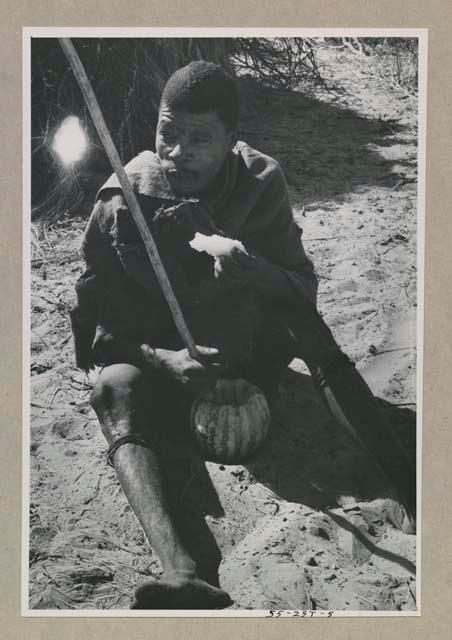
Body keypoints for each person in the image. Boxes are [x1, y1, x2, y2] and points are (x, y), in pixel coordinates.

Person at [71, 61, 416, 610]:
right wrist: (165, 359)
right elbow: (100, 327)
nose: (177, 152)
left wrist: (259, 272)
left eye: (199, 139)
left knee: (303, 321)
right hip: (171, 372)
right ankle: (182, 570)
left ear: (232, 141)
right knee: (110, 389)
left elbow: (300, 287)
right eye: (168, 132)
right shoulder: (123, 198)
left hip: (249, 351)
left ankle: (407, 478)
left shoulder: (261, 182)